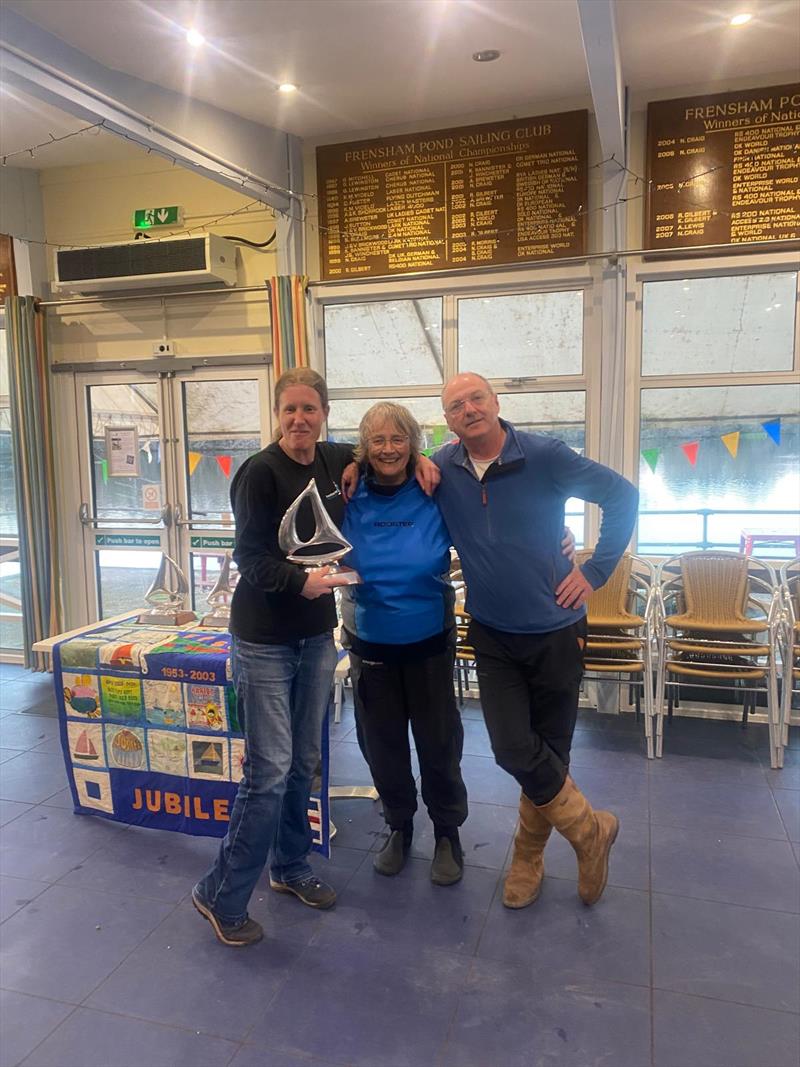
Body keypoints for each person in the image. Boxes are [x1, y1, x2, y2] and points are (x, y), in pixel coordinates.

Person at [192, 368, 439, 947]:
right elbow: (249, 558)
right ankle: (220, 892)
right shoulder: (257, 473)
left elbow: (385, 450)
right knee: (270, 771)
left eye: (309, 409)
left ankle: (290, 866)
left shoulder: (332, 461)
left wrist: (430, 460)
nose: (299, 419)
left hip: (314, 637)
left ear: (323, 413)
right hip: (263, 639)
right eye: (289, 410)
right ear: (277, 415)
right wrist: (299, 582)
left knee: (305, 762)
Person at [434, 372, 639, 910]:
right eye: (456, 405)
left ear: (496, 403)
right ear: (448, 421)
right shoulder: (439, 468)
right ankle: (590, 831)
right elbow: (390, 464)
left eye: (476, 398)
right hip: (492, 633)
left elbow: (622, 496)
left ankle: (528, 854)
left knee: (551, 751)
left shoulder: (546, 455)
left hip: (556, 630)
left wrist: (595, 571)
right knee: (510, 746)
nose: (469, 409)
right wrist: (363, 466)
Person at [340, 402, 468, 885]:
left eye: (399, 440)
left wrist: (554, 537)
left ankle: (447, 833)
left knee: (439, 744)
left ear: (414, 444)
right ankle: (399, 825)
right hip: (370, 643)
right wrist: (349, 466)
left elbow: (489, 498)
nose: (389, 449)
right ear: (364, 448)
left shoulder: (437, 487)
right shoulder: (347, 492)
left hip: (429, 641)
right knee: (382, 745)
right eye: (378, 441)